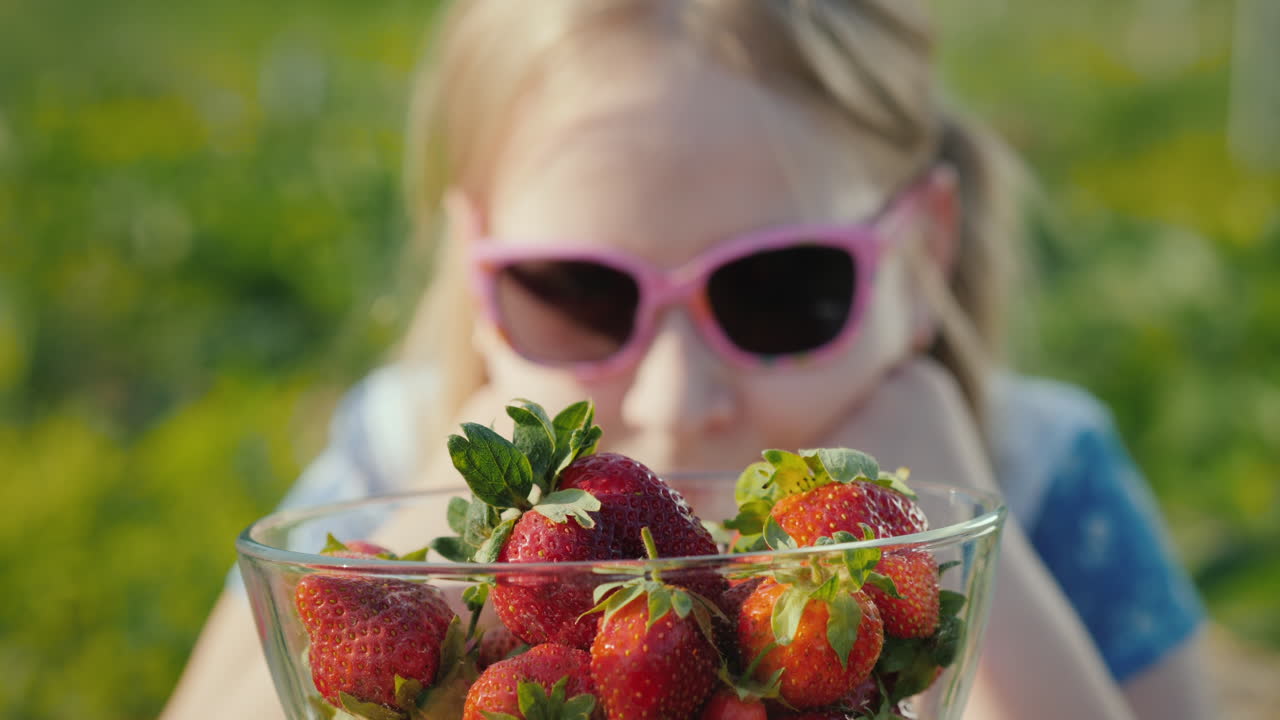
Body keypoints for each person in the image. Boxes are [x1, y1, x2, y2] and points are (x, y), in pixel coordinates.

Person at [162, 1, 1211, 718]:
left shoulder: (1037, 468)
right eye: (576, 292)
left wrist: (960, 554)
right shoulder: (393, 454)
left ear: (920, 250)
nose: (675, 401)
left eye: (779, 289)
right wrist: (439, 533)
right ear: (476, 274)